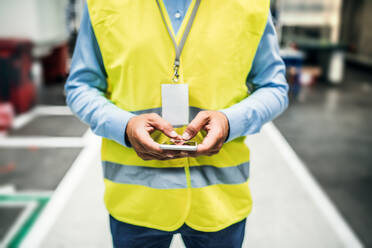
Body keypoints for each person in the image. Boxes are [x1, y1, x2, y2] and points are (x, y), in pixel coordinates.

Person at [65, 0, 288, 247]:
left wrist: (229, 122)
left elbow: (274, 87)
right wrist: (125, 126)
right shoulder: (102, 4)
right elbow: (80, 86)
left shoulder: (251, 4)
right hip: (136, 202)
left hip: (219, 200)